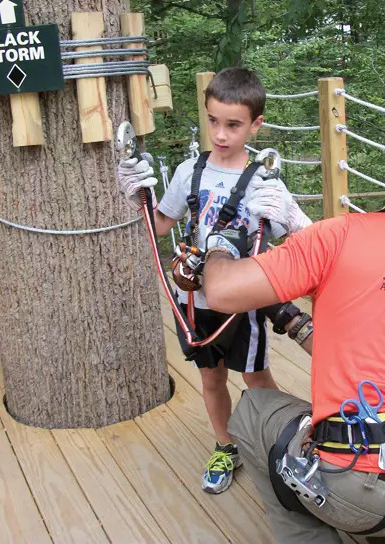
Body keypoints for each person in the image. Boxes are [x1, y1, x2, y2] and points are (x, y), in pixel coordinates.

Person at [201, 169, 385, 543]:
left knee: (254, 410)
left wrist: (219, 248)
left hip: (365, 487)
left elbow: (222, 290)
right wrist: (291, 320)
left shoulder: (347, 231)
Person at [117, 67, 314, 494]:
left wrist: (292, 217)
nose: (220, 134)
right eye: (212, 121)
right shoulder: (192, 171)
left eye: (233, 125)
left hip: (241, 302)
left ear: (256, 124)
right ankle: (226, 445)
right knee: (211, 378)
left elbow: (309, 241)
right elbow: (163, 223)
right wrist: (137, 196)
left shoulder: (264, 179)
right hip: (196, 300)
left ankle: (286, 442)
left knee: (256, 376)